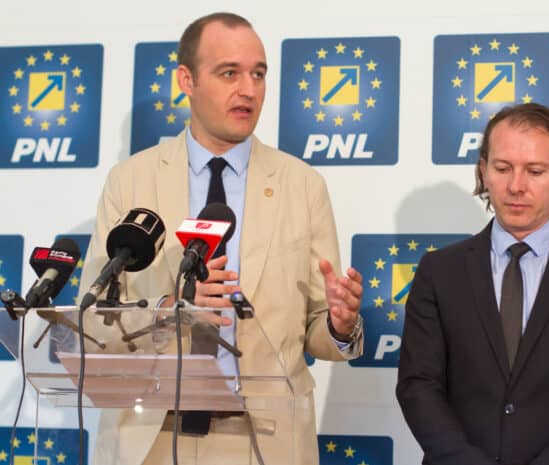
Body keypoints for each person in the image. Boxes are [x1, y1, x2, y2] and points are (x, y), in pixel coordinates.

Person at [79, 12, 363, 465]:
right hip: (150, 435)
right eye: (229, 73)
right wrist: (167, 310)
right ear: (186, 80)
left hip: (264, 439)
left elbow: (317, 332)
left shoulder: (303, 186)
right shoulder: (130, 181)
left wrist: (340, 326)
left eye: (258, 74)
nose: (248, 89)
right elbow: (93, 321)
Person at [396, 103, 549, 465]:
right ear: (483, 171)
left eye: (535, 171)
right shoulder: (439, 270)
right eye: (502, 168)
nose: (516, 186)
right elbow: (418, 385)